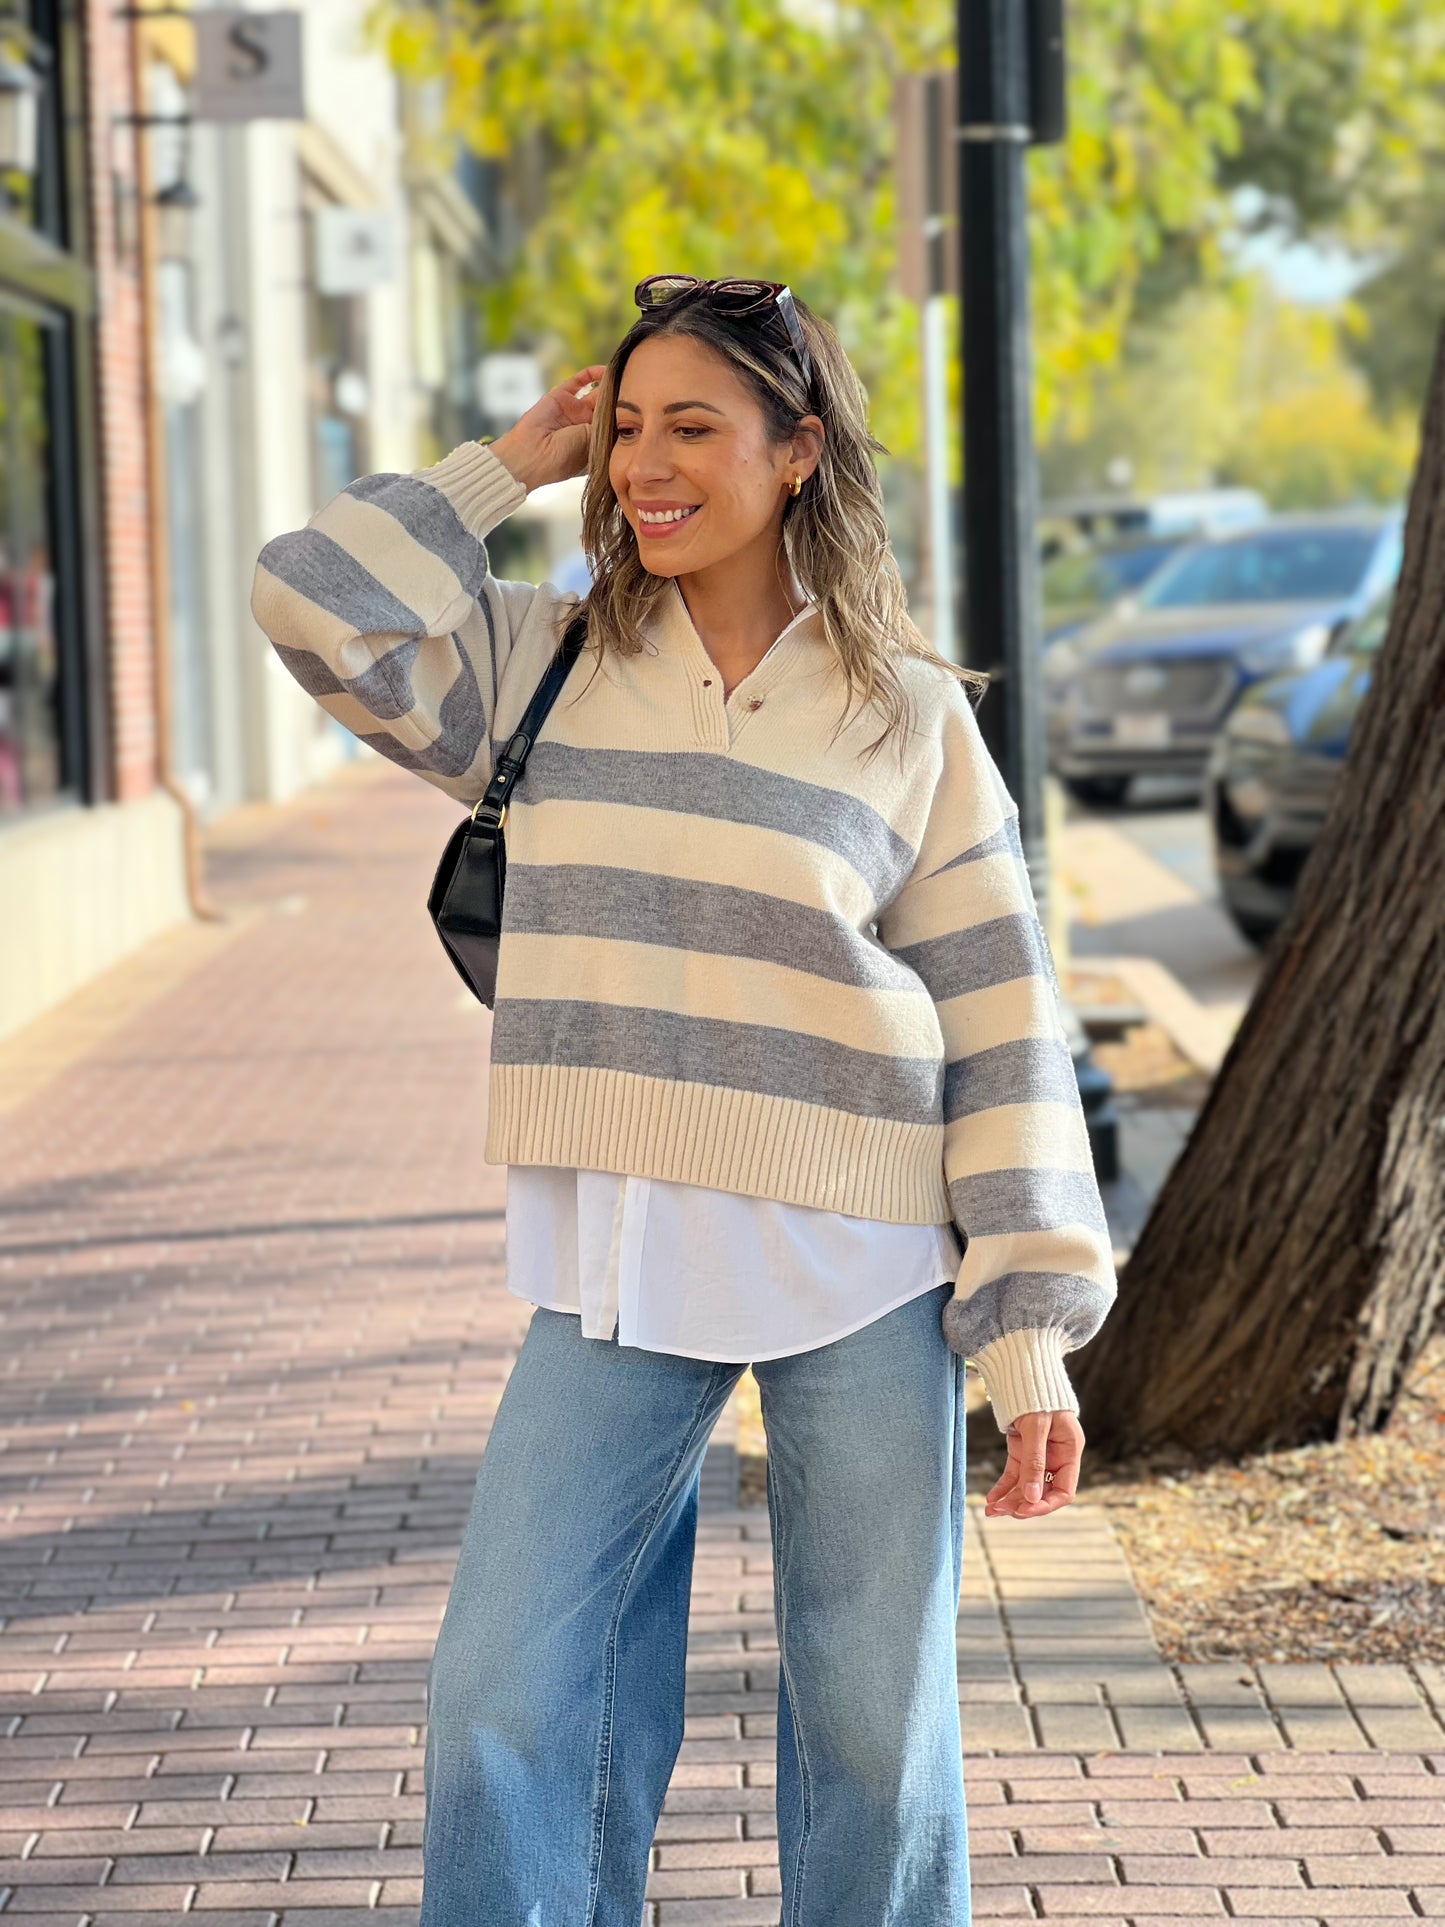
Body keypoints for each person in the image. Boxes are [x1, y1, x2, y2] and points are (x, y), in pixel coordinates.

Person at [251, 274, 1117, 1927]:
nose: (644, 465)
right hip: (619, 1251)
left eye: (692, 428)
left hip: (867, 1258)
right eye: (627, 428)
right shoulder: (541, 664)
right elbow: (308, 602)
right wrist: (509, 465)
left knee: (871, 1729)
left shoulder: (907, 715)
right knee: (504, 1692)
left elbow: (998, 1022)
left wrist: (1026, 1332)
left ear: (797, 453)